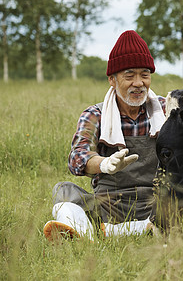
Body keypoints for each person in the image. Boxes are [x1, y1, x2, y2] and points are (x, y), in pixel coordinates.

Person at [43, 30, 166, 241]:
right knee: (63, 191)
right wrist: (105, 164)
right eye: (129, 75)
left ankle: (98, 232)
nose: (138, 83)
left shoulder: (165, 109)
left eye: (144, 74)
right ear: (112, 79)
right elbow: (77, 158)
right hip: (110, 205)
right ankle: (127, 230)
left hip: (156, 202)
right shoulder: (95, 114)